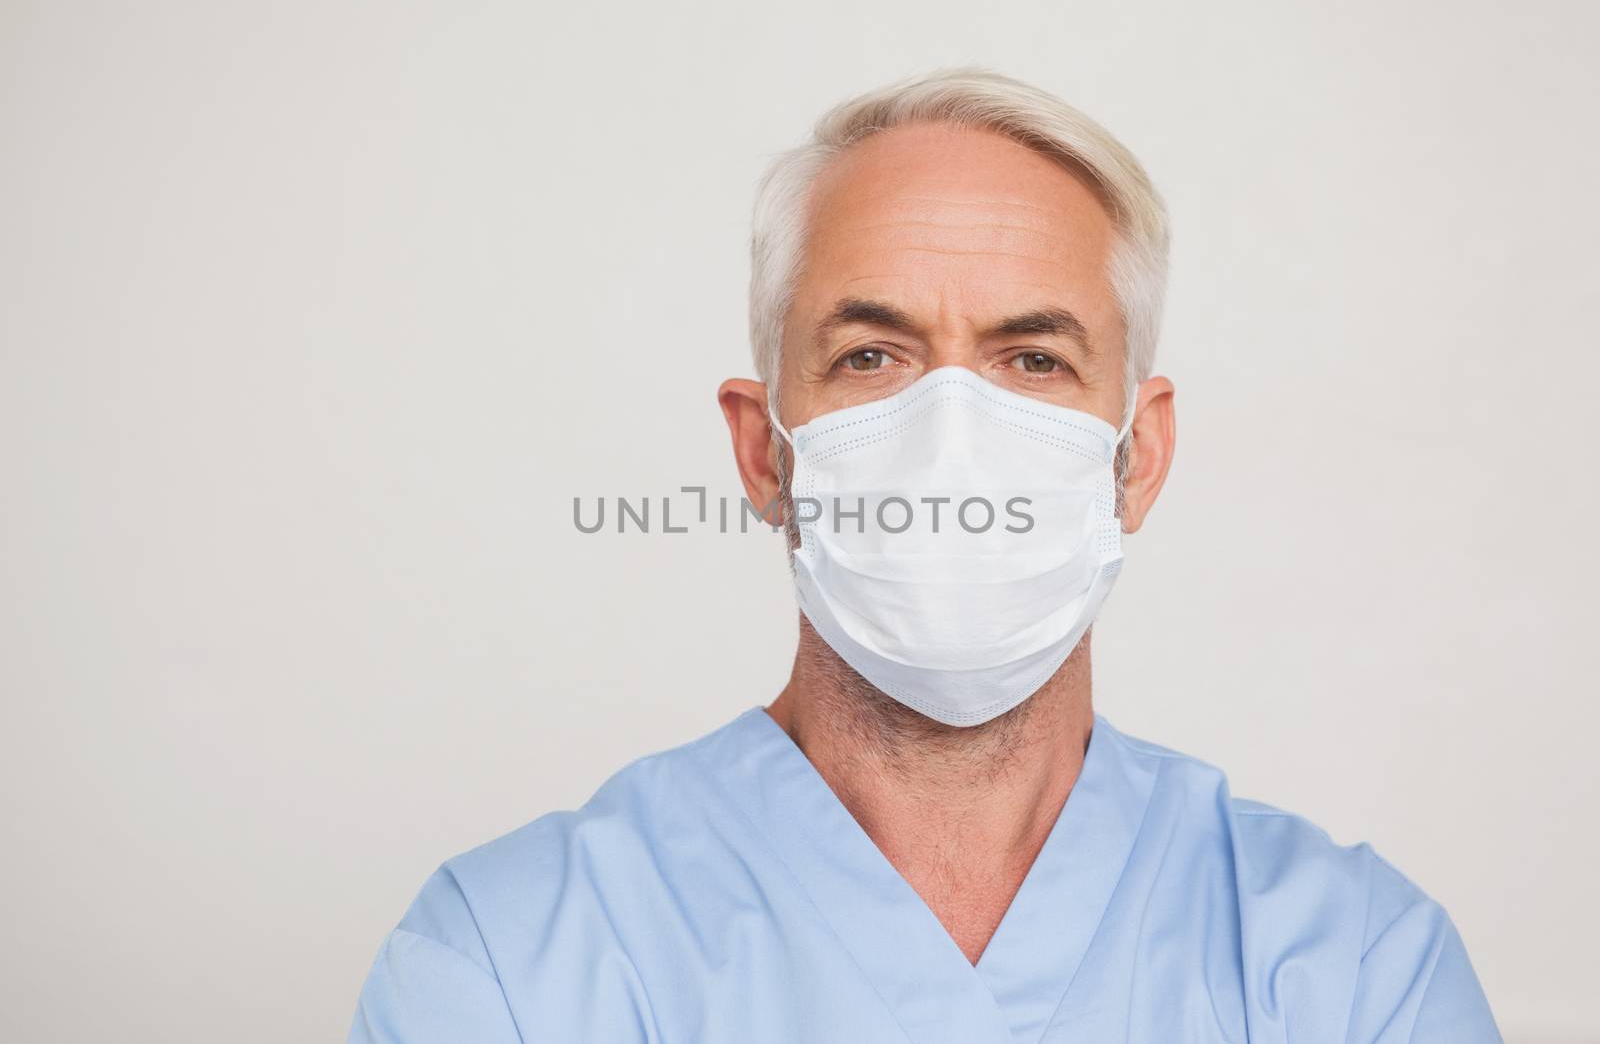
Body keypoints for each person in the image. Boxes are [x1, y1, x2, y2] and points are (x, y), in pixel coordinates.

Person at [347, 69, 1501, 1043]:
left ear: (1137, 456)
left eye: (1032, 361)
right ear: (764, 452)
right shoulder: (512, 965)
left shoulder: (1349, 970)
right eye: (871, 355)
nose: (953, 438)